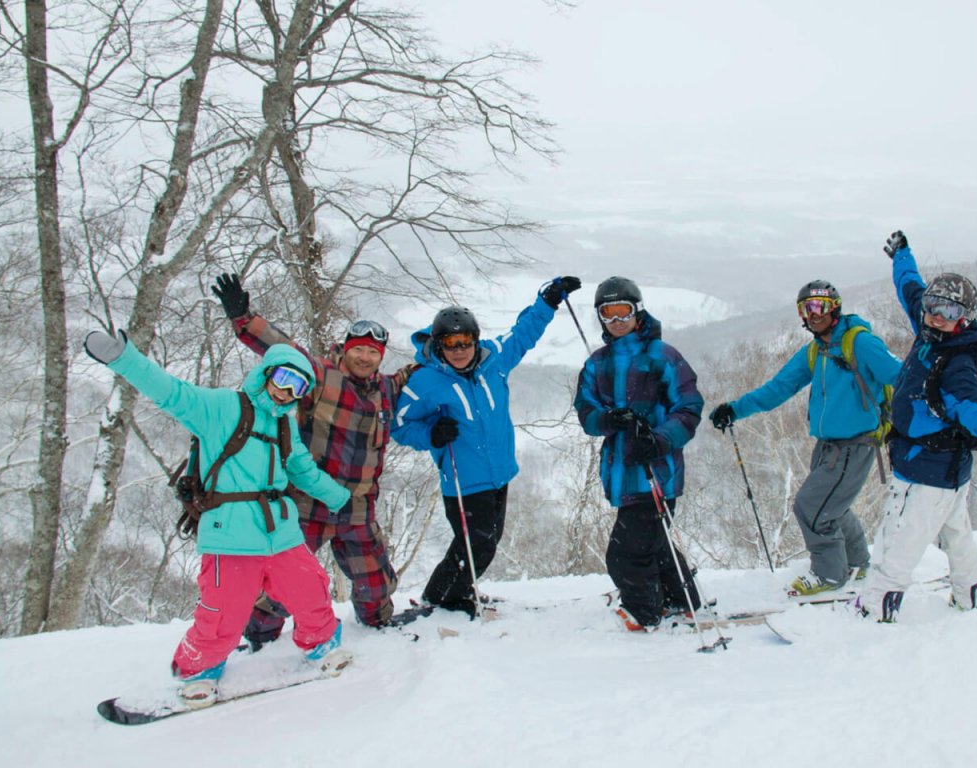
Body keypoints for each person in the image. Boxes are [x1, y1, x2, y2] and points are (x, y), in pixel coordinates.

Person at [82, 330, 352, 707]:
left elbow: (303, 470)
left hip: (282, 532)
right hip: (231, 534)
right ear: (268, 373)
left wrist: (342, 498)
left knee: (311, 590)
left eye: (298, 387)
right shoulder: (222, 408)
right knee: (225, 610)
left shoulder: (285, 425)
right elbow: (170, 392)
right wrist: (123, 358)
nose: (287, 392)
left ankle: (321, 645)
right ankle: (199, 670)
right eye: (284, 379)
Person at [210, 274, 409, 648]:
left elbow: (416, 373)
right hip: (305, 505)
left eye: (373, 353)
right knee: (281, 586)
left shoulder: (387, 389)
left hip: (357, 507)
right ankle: (259, 640)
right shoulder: (320, 374)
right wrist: (244, 319)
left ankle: (377, 626)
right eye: (359, 349)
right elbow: (282, 348)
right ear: (345, 348)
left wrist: (438, 348)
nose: (365, 357)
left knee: (375, 581)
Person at [856, 230, 977, 622]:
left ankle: (876, 603)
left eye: (948, 313)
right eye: (934, 307)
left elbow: (971, 405)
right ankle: (975, 588)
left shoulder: (957, 362)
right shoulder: (931, 333)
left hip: (926, 471)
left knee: (901, 537)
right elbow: (910, 288)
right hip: (948, 470)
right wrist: (902, 255)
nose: (935, 316)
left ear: (964, 319)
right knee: (955, 534)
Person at [391, 276, 581, 616]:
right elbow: (400, 425)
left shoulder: (493, 359)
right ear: (439, 344)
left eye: (465, 341)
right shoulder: (424, 381)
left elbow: (523, 334)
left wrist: (548, 301)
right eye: (451, 343)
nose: (459, 350)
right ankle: (441, 598)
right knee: (476, 545)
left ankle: (455, 592)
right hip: (463, 479)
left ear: (475, 340)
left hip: (500, 473)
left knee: (486, 543)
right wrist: (431, 434)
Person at [708, 280, 903, 597]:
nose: (813, 315)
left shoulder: (861, 344)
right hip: (827, 445)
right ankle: (857, 561)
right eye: (806, 308)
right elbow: (778, 389)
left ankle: (829, 575)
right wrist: (734, 409)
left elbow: (902, 376)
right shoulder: (817, 351)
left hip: (855, 445)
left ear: (835, 308)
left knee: (811, 508)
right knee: (832, 505)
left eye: (819, 306)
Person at [573, 277, 704, 631]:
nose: (616, 321)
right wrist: (608, 418)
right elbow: (586, 413)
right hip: (620, 471)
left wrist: (659, 438)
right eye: (608, 314)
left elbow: (689, 407)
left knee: (626, 554)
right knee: (655, 544)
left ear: (638, 311)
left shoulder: (663, 356)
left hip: (655, 472)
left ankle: (644, 611)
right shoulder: (597, 363)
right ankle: (683, 600)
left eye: (623, 312)